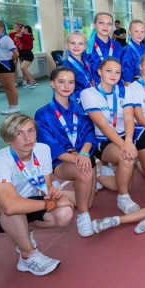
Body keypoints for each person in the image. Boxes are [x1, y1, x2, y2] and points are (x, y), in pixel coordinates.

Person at [0, 114, 73, 275]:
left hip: (27, 204)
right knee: (12, 207)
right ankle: (28, 256)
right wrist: (51, 203)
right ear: (8, 139)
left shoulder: (43, 150)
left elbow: (45, 188)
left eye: (31, 131)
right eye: (19, 133)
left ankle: (22, 234)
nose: (28, 138)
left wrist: (53, 194)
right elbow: (9, 206)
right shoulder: (1, 161)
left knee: (64, 213)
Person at [35, 67, 100, 237]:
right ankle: (83, 216)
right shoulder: (42, 114)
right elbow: (50, 146)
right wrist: (77, 159)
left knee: (87, 200)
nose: (66, 86)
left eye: (71, 82)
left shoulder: (80, 108)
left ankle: (55, 191)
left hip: (84, 156)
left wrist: (84, 154)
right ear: (52, 83)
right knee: (84, 172)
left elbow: (89, 133)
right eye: (61, 81)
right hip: (62, 160)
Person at [80, 58, 140, 214]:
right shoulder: (88, 93)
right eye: (109, 71)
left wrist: (128, 141)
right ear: (99, 72)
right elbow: (104, 126)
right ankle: (123, 198)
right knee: (127, 158)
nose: (114, 75)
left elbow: (129, 118)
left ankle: (99, 175)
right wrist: (125, 146)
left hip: (125, 137)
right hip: (103, 140)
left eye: (117, 72)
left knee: (123, 183)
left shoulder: (125, 91)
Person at [86, 12, 123, 85]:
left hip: (115, 86)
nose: (105, 26)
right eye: (101, 23)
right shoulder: (86, 47)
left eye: (109, 24)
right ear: (94, 24)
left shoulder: (117, 46)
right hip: (93, 88)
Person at [62, 32, 94, 102]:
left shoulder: (87, 62)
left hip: (91, 96)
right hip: (77, 101)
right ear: (67, 45)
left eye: (80, 43)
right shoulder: (65, 67)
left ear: (85, 46)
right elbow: (65, 90)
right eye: (73, 43)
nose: (76, 46)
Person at [121, 19, 145, 85]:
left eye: (142, 31)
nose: (140, 34)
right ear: (129, 32)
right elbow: (127, 72)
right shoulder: (127, 50)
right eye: (136, 31)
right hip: (134, 83)